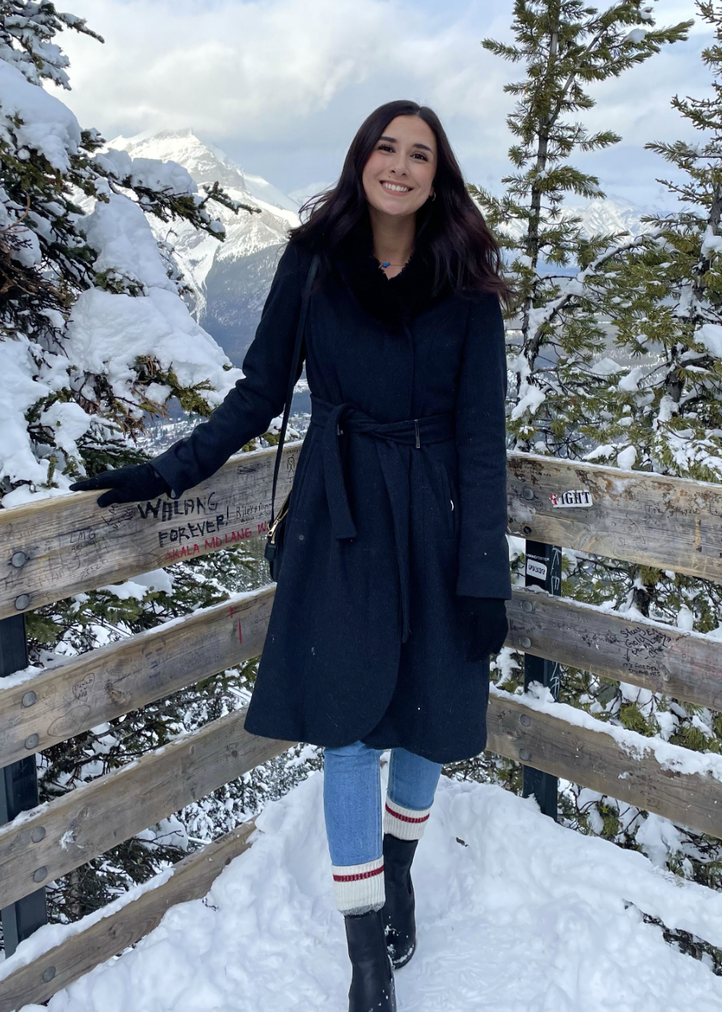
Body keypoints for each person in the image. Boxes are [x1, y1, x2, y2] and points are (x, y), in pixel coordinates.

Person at [71, 98, 513, 1012]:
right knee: (346, 727)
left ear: (439, 174)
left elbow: (482, 440)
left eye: (419, 154)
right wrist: (170, 469)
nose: (399, 165)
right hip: (340, 513)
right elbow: (261, 389)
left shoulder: (467, 281)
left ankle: (398, 869)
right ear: (361, 159)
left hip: (434, 515)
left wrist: (484, 575)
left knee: (430, 712)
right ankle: (363, 955)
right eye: (385, 148)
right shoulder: (314, 263)